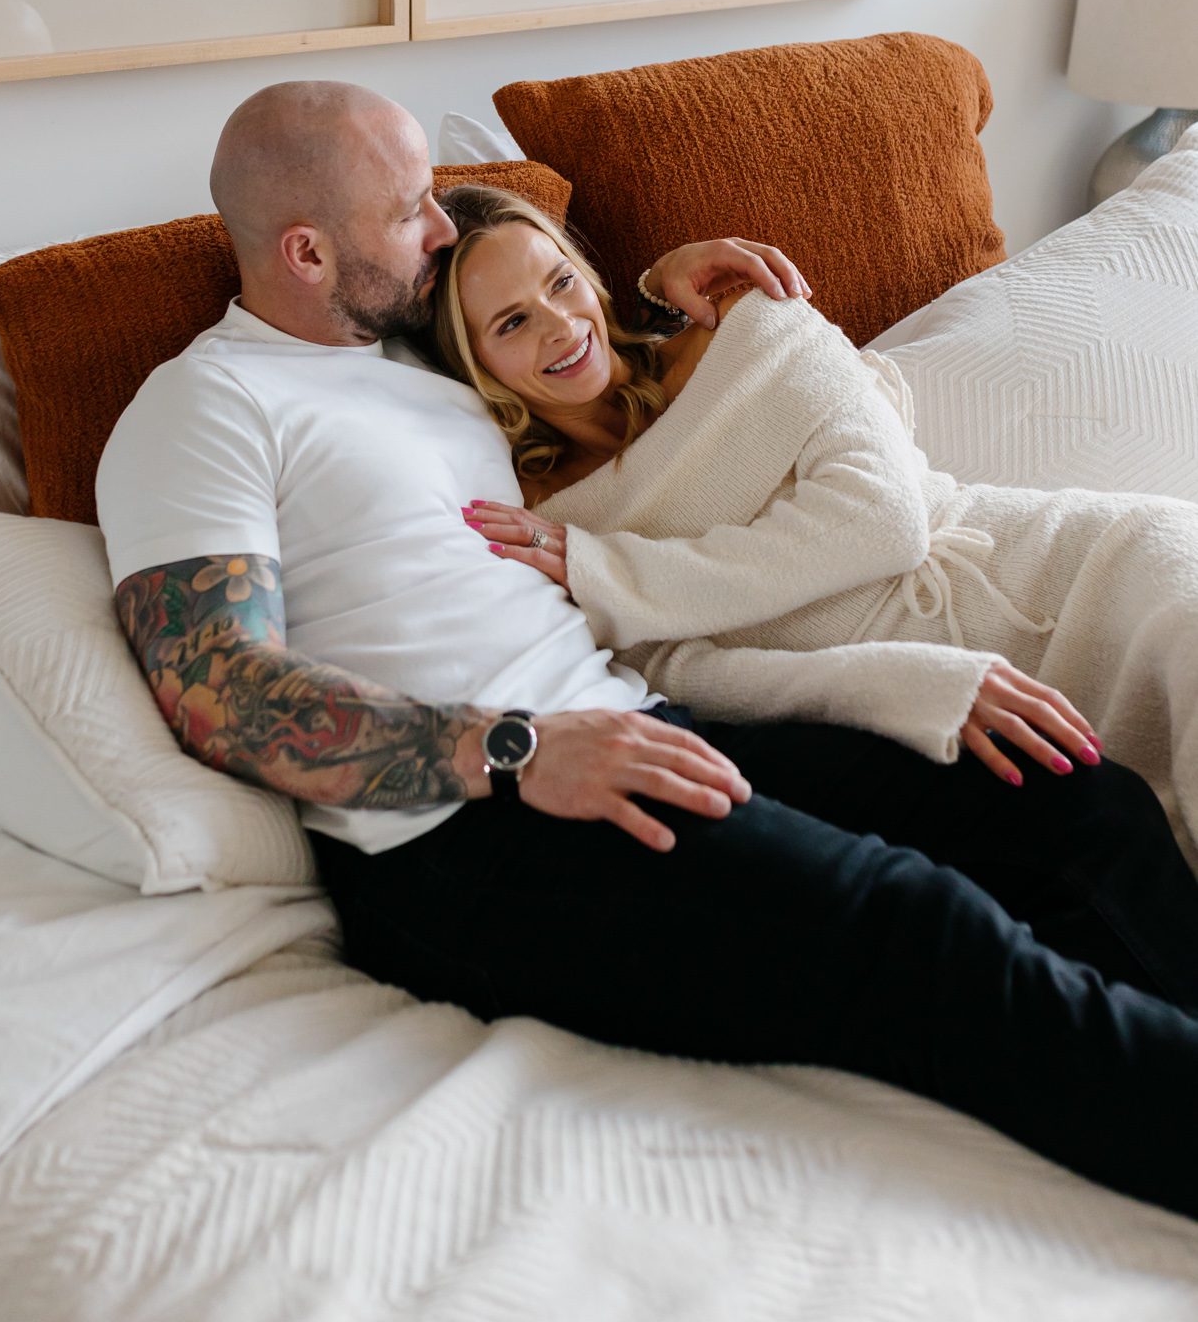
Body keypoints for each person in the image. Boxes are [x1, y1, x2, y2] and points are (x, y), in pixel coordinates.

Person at [99, 79, 1198, 1224]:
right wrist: (515, 751)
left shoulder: (417, 369)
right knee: (913, 926)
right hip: (467, 827)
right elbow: (215, 687)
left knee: (1068, 801)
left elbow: (554, 341)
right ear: (308, 251)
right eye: (410, 209)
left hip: (642, 723)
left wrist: (664, 290)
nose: (440, 228)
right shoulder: (203, 405)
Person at [432, 184, 1198, 868]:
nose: (562, 326)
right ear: (475, 368)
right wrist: (902, 684)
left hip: (1081, 572)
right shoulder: (542, 526)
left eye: (561, 281)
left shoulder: (747, 320)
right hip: (964, 703)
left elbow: (882, 521)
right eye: (511, 322)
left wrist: (615, 577)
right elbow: (678, 676)